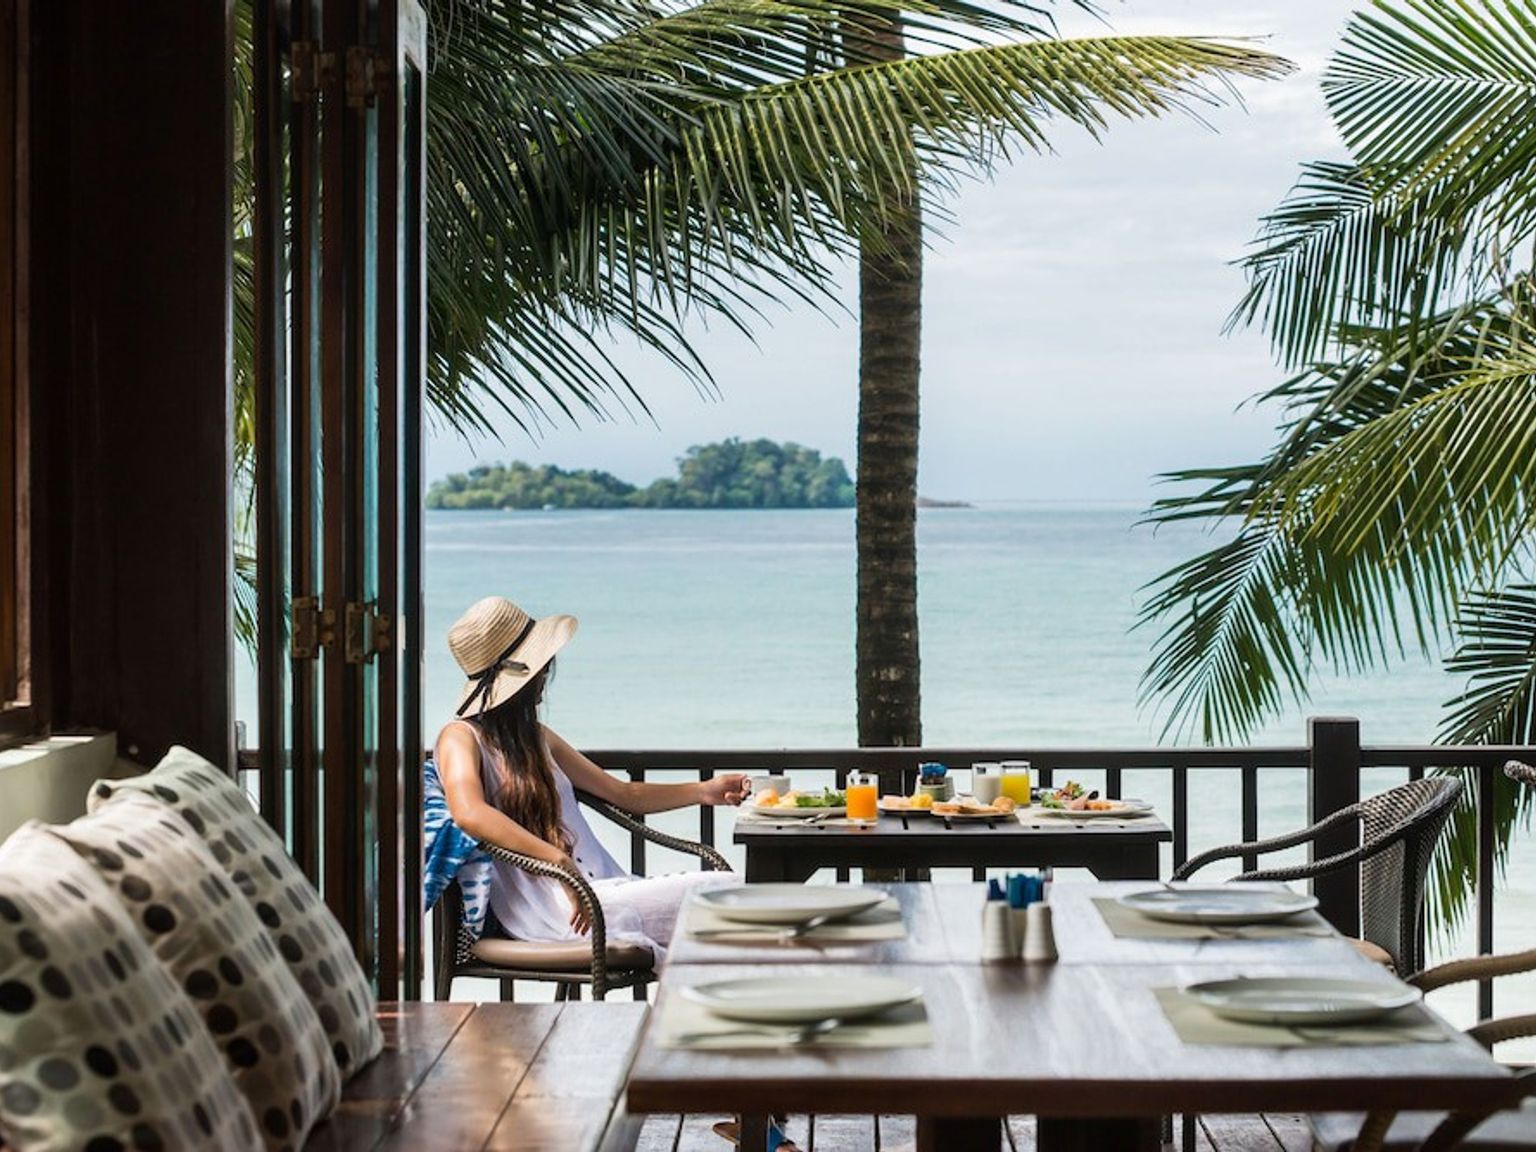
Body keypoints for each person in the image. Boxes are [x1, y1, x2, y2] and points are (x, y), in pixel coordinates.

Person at [434, 595, 748, 962]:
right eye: (542, 666)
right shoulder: (460, 737)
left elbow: (623, 793)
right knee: (734, 894)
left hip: (603, 892)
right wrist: (558, 861)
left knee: (739, 908)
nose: (546, 675)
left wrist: (704, 791)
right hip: (558, 911)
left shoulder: (537, 738)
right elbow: (468, 812)